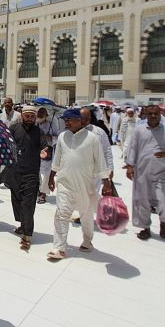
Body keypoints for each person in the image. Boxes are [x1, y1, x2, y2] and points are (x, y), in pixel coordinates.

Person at [46, 109, 111, 261]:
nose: (66, 122)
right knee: (61, 214)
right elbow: (57, 160)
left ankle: (87, 241)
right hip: (65, 183)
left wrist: (106, 182)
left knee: (86, 215)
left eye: (70, 119)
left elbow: (101, 163)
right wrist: (51, 177)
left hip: (86, 184)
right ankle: (59, 248)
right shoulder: (62, 136)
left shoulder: (93, 138)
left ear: (80, 120)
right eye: (65, 119)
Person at [125, 105, 165, 241]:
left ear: (160, 114)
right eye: (150, 114)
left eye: (155, 114)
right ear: (145, 114)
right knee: (142, 200)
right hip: (142, 171)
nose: (152, 116)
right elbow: (133, 147)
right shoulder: (139, 130)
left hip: (163, 172)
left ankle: (164, 223)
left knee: (164, 199)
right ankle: (145, 228)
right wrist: (129, 165)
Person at [3, 105, 42, 250]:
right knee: (17, 201)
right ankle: (22, 225)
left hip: (31, 173)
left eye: (33, 116)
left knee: (28, 203)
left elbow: (44, 145)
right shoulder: (14, 128)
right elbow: (7, 143)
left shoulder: (39, 131)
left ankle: (27, 234)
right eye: (28, 116)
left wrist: (44, 151)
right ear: (22, 116)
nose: (30, 119)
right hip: (14, 171)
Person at [36, 107, 59, 204]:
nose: (40, 114)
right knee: (36, 173)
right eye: (39, 112)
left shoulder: (51, 124)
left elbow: (58, 138)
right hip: (35, 151)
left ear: (46, 115)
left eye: (42, 113)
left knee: (46, 175)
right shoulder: (35, 124)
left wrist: (50, 137)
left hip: (47, 152)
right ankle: (38, 190)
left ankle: (43, 194)